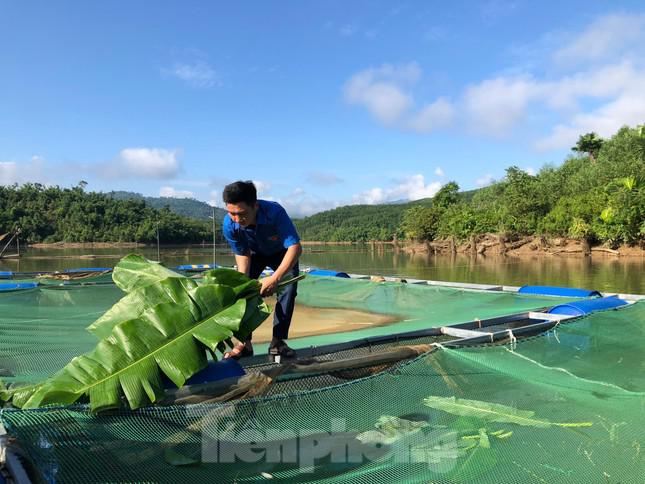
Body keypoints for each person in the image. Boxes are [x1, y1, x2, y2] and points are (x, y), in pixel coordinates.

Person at [221, 180, 302, 359]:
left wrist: (275, 278)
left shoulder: (275, 213)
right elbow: (242, 253)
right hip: (255, 254)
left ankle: (277, 342)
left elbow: (295, 247)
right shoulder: (229, 224)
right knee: (242, 292)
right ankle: (244, 343)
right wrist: (243, 282)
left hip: (281, 253)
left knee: (288, 289)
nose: (237, 219)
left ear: (255, 206)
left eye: (241, 214)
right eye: (232, 213)